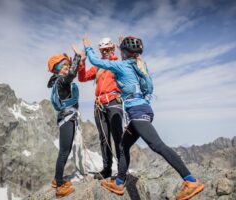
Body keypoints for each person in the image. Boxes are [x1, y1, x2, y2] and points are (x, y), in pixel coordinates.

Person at [82, 35, 205, 200]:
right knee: (123, 146)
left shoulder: (121, 65)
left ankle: (190, 180)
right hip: (143, 109)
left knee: (157, 145)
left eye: (121, 50)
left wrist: (88, 47)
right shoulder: (140, 64)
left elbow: (96, 62)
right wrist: (142, 101)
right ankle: (119, 183)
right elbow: (149, 87)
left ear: (124, 52)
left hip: (137, 112)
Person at [78, 37, 123, 179]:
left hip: (114, 102)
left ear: (113, 49)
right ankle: (107, 169)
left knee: (117, 137)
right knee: (104, 138)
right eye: (103, 50)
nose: (106, 52)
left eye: (109, 49)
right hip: (99, 105)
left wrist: (124, 51)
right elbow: (82, 77)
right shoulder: (98, 66)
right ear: (101, 51)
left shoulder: (118, 64)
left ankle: (122, 171)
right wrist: (82, 62)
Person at [47, 46, 81, 198]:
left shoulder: (58, 81)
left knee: (64, 151)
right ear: (59, 69)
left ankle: (57, 180)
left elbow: (72, 73)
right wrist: (78, 57)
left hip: (66, 118)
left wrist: (74, 60)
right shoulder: (62, 80)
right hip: (67, 118)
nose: (67, 68)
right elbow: (73, 73)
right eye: (64, 66)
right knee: (64, 152)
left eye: (67, 66)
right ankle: (59, 187)